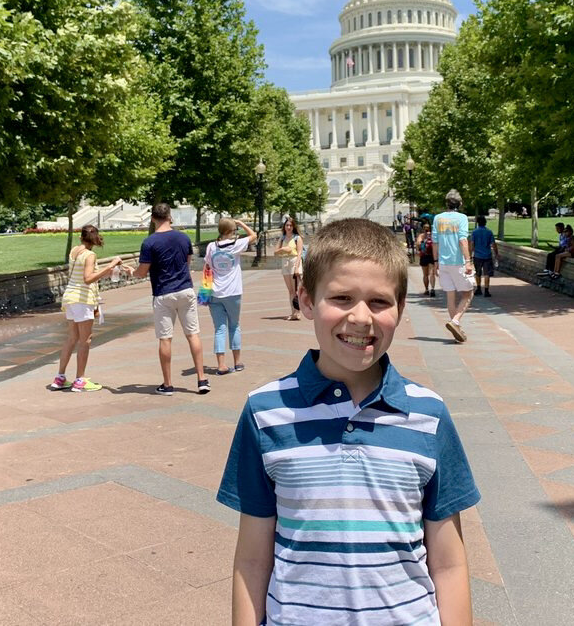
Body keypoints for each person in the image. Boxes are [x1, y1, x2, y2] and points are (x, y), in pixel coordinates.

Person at [218, 218, 479, 625]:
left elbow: (449, 564)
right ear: (306, 300)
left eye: (379, 302)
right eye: (341, 298)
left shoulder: (428, 415)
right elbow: (251, 561)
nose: (360, 317)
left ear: (400, 308)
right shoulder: (265, 412)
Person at [134, 203, 210, 396]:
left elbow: (142, 272)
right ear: (170, 217)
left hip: (163, 293)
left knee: (165, 338)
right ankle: (202, 379)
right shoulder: (183, 237)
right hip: (185, 289)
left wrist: (132, 272)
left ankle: (167, 384)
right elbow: (186, 262)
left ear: (153, 218)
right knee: (193, 334)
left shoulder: (149, 242)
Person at [49, 225, 122, 392]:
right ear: (95, 238)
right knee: (85, 340)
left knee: (71, 338)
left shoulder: (75, 251)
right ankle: (80, 380)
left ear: (81, 237)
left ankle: (60, 378)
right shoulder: (90, 255)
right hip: (82, 299)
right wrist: (110, 266)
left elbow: (85, 274)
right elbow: (88, 279)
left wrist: (108, 270)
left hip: (70, 297)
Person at [204, 217, 257, 375]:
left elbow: (207, 265)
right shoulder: (236, 245)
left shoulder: (211, 246)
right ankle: (237, 362)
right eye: (234, 230)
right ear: (230, 231)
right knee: (234, 326)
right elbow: (253, 235)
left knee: (219, 329)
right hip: (233, 291)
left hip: (215, 291)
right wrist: (241, 223)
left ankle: (221, 365)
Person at [433, 189, 474, 342]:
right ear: (460, 203)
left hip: (443, 263)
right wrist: (468, 261)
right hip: (458, 262)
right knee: (468, 293)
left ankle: (456, 330)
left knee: (450, 296)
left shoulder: (438, 218)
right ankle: (455, 321)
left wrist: (435, 262)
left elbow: (435, 241)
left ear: (446, 203)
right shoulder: (462, 218)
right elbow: (463, 240)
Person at [276, 216, 304, 320]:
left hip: (294, 261)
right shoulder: (282, 237)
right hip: (285, 262)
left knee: (296, 290)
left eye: (290, 225)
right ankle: (293, 313)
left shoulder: (297, 238)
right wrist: (283, 249)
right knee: (290, 290)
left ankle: (298, 312)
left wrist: (297, 267)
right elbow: (276, 251)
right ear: (284, 226)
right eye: (287, 225)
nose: (288, 227)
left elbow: (299, 253)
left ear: (293, 226)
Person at [470, 214, 500, 297]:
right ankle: (486, 290)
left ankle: (478, 288)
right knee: (487, 273)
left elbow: (472, 244)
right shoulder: (489, 232)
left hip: (477, 255)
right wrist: (496, 254)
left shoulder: (474, 232)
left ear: (478, 223)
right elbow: (493, 244)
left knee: (478, 273)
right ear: (485, 222)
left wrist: (470, 254)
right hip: (487, 255)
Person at [418, 222, 437, 297]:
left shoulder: (421, 236)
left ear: (423, 228)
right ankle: (432, 289)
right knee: (432, 273)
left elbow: (418, 245)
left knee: (425, 274)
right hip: (432, 255)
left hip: (424, 256)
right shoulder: (433, 235)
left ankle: (426, 289)